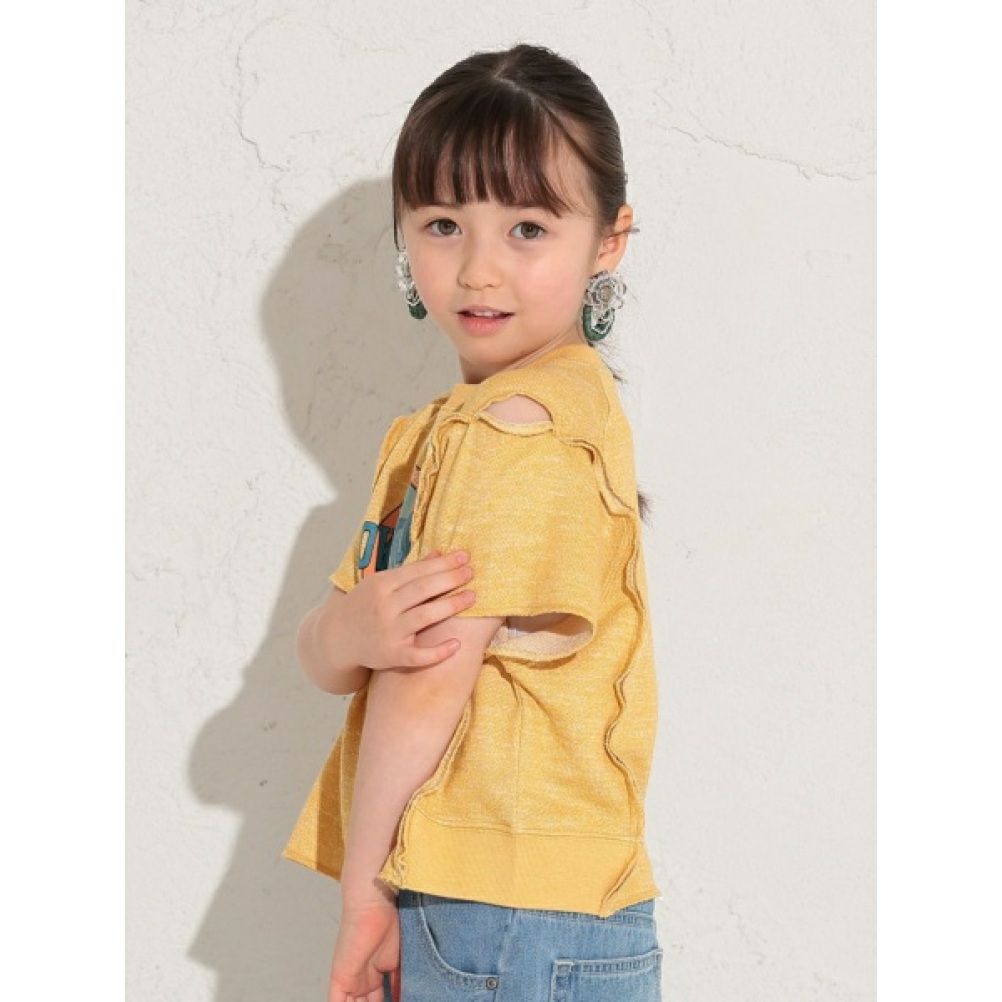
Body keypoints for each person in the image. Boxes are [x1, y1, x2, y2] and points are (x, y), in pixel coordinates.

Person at [283, 43, 664, 1002]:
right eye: (444, 224)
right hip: (520, 908)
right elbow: (340, 659)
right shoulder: (459, 429)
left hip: (503, 915)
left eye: (528, 227)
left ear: (608, 240)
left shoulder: (517, 432)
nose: (480, 269)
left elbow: (425, 681)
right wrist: (347, 630)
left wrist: (363, 893)